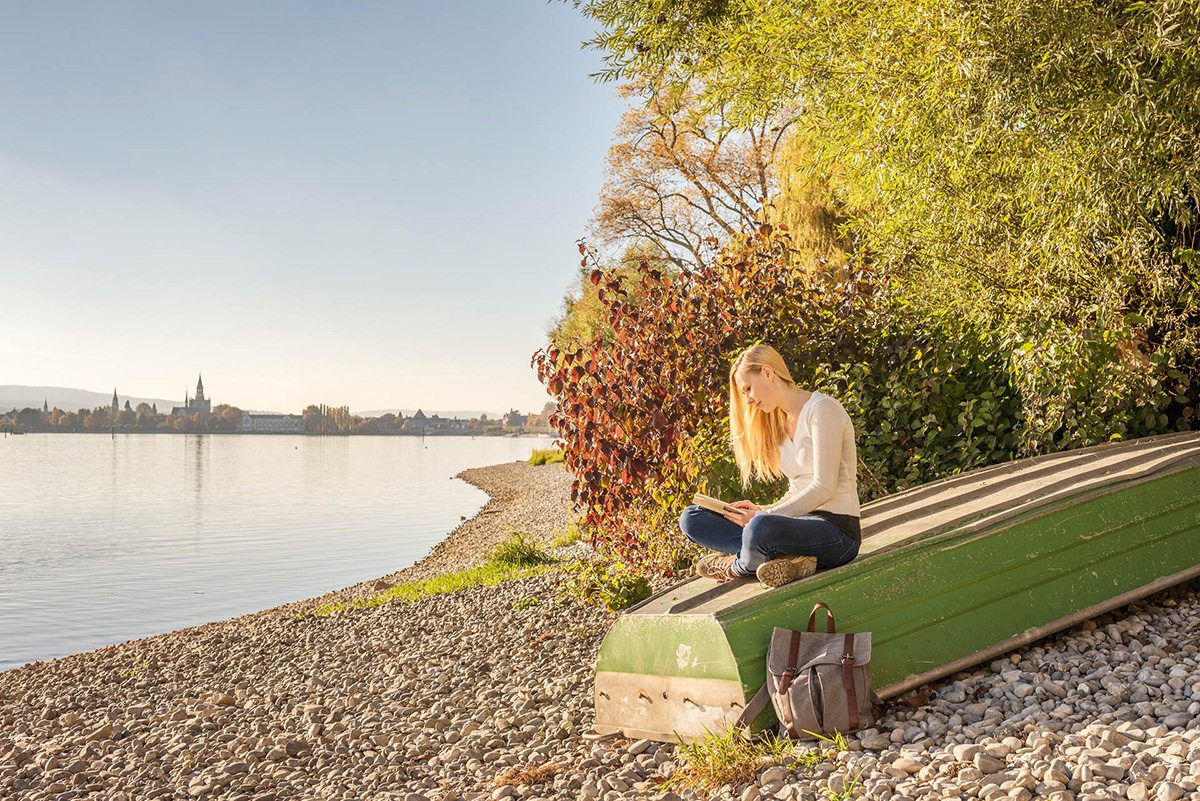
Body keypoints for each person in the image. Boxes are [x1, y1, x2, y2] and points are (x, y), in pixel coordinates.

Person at [679, 343, 862, 587]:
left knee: (761, 527)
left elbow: (823, 487)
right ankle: (784, 558)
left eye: (748, 389)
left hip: (836, 532)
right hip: (794, 525)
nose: (748, 400)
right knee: (692, 518)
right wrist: (764, 508)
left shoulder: (822, 410)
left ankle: (739, 566)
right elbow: (797, 488)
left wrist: (764, 515)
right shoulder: (781, 422)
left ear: (768, 373)